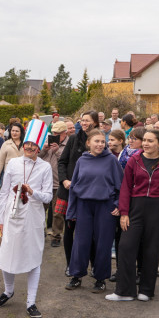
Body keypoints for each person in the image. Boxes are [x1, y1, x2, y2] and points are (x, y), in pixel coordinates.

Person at [0, 120, 53, 318]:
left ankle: (31, 302)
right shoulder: (14, 164)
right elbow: (4, 192)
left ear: (40, 146)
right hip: (11, 216)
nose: (29, 147)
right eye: (27, 143)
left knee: (33, 256)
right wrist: (0, 220)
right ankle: (8, 291)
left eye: (33, 145)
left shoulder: (44, 168)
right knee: (8, 254)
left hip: (33, 218)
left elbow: (48, 197)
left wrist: (33, 192)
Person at [109, 129, 159, 302]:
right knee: (126, 246)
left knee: (151, 250)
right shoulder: (134, 160)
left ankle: (146, 290)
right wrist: (124, 212)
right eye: (144, 140)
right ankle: (124, 291)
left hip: (158, 207)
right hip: (135, 207)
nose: (145, 143)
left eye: (150, 141)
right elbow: (126, 187)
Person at [65, 129, 122, 291]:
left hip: (105, 206)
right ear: (88, 143)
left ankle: (100, 278)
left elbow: (121, 186)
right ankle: (76, 275)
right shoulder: (82, 161)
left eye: (102, 142)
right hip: (84, 206)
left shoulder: (111, 160)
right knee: (81, 242)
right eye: (96, 141)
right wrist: (72, 211)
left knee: (103, 243)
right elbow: (74, 186)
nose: (100, 144)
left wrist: (118, 204)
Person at [57, 111, 98, 275]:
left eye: (87, 120)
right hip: (70, 191)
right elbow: (62, 162)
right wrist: (64, 180)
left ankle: (94, 265)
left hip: (90, 193)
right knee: (69, 229)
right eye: (82, 120)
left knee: (92, 232)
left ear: (95, 122)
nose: (83, 123)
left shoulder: (100, 141)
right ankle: (70, 264)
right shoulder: (73, 139)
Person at [40, 120, 69, 247]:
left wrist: (57, 151)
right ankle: (40, 232)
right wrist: (45, 149)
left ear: (64, 133)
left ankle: (56, 235)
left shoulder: (69, 144)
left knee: (57, 212)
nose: (55, 136)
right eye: (53, 133)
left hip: (59, 183)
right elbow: (37, 157)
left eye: (58, 134)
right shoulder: (47, 142)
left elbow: (66, 162)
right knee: (40, 209)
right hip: (43, 183)